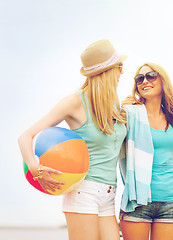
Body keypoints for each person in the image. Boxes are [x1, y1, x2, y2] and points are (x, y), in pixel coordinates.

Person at [18, 39, 127, 240]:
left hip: (110, 193)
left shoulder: (113, 103)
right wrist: (35, 169)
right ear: (106, 71)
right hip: (83, 192)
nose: (122, 72)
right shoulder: (75, 102)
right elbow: (25, 136)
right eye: (119, 67)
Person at [119, 63, 173, 240]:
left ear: (162, 80)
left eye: (151, 75)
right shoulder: (129, 114)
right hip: (138, 201)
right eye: (140, 78)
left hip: (171, 200)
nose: (145, 81)